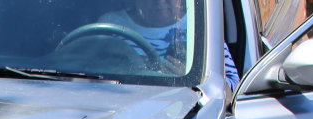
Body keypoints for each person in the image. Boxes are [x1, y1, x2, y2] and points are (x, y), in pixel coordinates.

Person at [101, 0, 241, 89]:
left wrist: (190, 78)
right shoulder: (110, 24)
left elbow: (233, 86)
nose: (160, 2)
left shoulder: (201, 25)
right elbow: (93, 74)